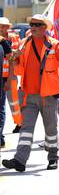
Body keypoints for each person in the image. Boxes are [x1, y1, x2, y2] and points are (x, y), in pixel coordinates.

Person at [2, 14, 59, 172]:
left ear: (44, 28)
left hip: (48, 95)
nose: (32, 27)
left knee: (51, 129)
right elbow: (14, 60)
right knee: (25, 129)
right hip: (29, 94)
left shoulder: (54, 44)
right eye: (31, 24)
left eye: (36, 24)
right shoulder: (24, 43)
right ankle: (20, 160)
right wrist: (14, 57)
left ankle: (53, 157)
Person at [0, 17, 19, 147]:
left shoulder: (11, 39)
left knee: (8, 105)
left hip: (7, 78)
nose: (2, 28)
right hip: (4, 77)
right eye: (0, 26)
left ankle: (19, 123)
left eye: (4, 26)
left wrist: (11, 76)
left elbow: (13, 59)